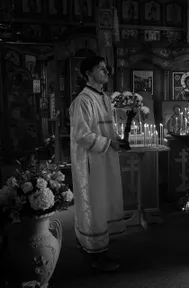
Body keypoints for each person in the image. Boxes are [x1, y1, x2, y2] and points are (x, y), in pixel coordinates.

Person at [69, 56, 129, 272]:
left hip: (104, 158)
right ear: (88, 73)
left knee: (104, 202)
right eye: (100, 69)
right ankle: (95, 254)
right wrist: (109, 142)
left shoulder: (103, 97)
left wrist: (116, 138)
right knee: (94, 206)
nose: (106, 72)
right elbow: (81, 135)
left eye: (106, 68)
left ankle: (99, 248)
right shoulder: (83, 100)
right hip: (91, 162)